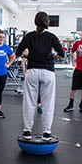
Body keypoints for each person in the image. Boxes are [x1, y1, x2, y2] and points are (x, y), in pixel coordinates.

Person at [15, 12, 65, 141]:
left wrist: (28, 56)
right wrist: (52, 57)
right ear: (46, 22)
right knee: (47, 103)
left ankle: (27, 131)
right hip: (48, 72)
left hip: (32, 71)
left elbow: (18, 52)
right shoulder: (51, 37)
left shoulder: (29, 36)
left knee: (29, 102)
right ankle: (46, 133)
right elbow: (62, 53)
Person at [21, 49, 43, 113]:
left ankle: (39, 105)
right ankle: (30, 108)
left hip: (40, 71)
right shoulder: (28, 49)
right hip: (31, 73)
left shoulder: (42, 48)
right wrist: (24, 73)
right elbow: (23, 62)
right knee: (31, 91)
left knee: (39, 89)